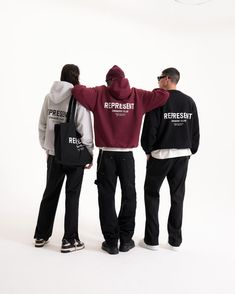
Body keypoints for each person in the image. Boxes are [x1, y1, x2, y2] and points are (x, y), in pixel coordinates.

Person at [72, 65, 169, 254]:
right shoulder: (137, 95)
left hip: (106, 154)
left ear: (108, 81)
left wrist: (102, 89)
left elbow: (77, 91)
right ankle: (125, 240)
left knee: (106, 197)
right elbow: (163, 96)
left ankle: (111, 242)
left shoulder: (100, 93)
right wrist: (161, 85)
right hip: (127, 157)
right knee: (129, 196)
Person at [34, 64, 93, 253]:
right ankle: (69, 240)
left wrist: (47, 146)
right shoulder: (78, 99)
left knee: (50, 193)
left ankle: (41, 236)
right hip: (73, 156)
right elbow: (85, 130)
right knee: (72, 196)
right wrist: (89, 153)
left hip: (53, 154)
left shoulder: (49, 97)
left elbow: (42, 124)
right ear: (77, 77)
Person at [140, 67, 200, 250]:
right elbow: (195, 130)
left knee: (151, 195)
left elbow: (150, 129)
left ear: (166, 79)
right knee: (177, 197)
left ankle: (152, 240)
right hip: (182, 156)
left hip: (160, 156)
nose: (158, 81)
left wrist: (148, 151)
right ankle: (175, 241)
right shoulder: (189, 102)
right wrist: (191, 150)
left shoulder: (159, 100)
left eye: (159, 78)